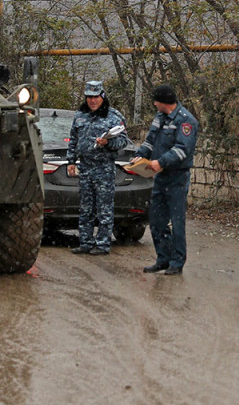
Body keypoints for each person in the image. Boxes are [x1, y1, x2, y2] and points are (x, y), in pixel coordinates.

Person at [136, 84, 199, 275]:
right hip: (160, 177)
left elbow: (182, 149)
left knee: (177, 222)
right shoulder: (160, 118)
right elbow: (150, 140)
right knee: (156, 220)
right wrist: (141, 155)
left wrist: (161, 162)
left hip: (177, 177)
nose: (154, 104)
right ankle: (162, 258)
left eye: (155, 101)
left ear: (162, 102)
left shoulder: (186, 121)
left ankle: (177, 262)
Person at [65, 80, 130, 255]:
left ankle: (102, 244)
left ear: (102, 97)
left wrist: (108, 142)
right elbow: (73, 139)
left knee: (104, 208)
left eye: (95, 97)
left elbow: (123, 141)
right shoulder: (80, 115)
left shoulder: (113, 117)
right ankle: (85, 242)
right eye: (89, 97)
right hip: (85, 167)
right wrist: (71, 161)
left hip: (104, 168)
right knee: (85, 208)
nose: (92, 101)